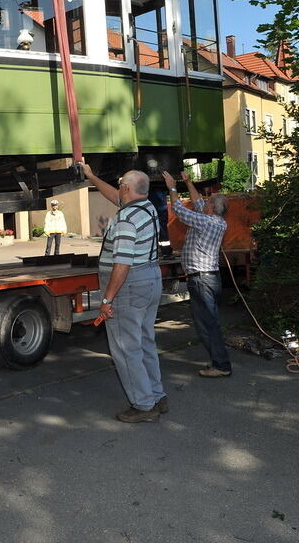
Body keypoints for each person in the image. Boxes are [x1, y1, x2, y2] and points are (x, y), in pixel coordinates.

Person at [82, 163, 167, 423]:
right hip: (150, 278)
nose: (118, 190)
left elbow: (122, 263)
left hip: (128, 285)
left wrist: (107, 299)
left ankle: (143, 406)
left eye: (120, 185)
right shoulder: (147, 207)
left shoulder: (126, 219)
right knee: (144, 342)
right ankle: (156, 395)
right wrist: (92, 176)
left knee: (125, 347)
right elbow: (115, 196)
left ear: (127, 188)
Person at [161, 170, 232, 378]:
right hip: (207, 278)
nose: (205, 203)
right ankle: (219, 362)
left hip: (201, 279)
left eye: (208, 201)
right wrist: (188, 182)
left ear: (212, 208)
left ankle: (221, 365)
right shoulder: (215, 220)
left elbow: (180, 210)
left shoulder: (207, 222)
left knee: (208, 324)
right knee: (209, 322)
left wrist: (172, 187)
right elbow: (198, 202)